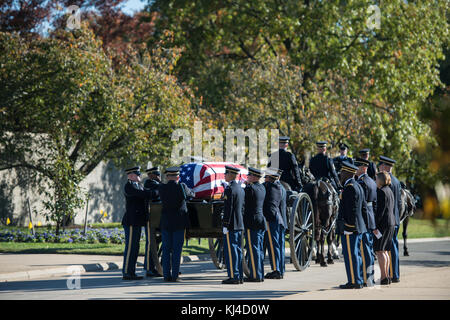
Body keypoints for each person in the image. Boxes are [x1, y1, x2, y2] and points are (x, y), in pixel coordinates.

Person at [158, 166, 194, 282]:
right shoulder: (182, 186)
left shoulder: (162, 187)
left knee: (166, 249)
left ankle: (166, 275)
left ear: (168, 177)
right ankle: (175, 276)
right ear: (178, 177)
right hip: (179, 223)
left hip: (166, 223)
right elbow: (191, 194)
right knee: (177, 250)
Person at [122, 166, 157, 280]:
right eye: (137, 174)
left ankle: (131, 272)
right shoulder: (129, 186)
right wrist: (155, 192)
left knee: (135, 247)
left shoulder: (139, 185)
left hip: (137, 221)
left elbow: (146, 192)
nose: (140, 176)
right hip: (131, 221)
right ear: (131, 175)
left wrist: (155, 191)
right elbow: (144, 194)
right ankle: (127, 271)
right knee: (131, 247)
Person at [336, 162, 366, 289]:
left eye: (342, 172)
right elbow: (363, 208)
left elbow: (351, 210)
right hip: (358, 226)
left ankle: (354, 281)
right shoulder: (357, 185)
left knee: (351, 255)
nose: (340, 174)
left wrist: (348, 226)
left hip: (350, 228)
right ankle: (358, 279)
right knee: (356, 254)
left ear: (347, 173)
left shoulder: (349, 187)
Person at [379, 156, 402, 283]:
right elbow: (398, 203)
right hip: (396, 219)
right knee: (393, 247)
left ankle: (393, 274)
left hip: (388, 220)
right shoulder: (396, 181)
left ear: (385, 166)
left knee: (389, 247)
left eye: (381, 165)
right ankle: (395, 273)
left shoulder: (387, 181)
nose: (380, 168)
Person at [355, 158, 377, 286]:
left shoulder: (362, 182)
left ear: (364, 168)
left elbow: (361, 203)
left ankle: (366, 278)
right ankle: (369, 278)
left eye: (357, 166)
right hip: (371, 218)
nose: (356, 169)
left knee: (364, 251)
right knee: (368, 249)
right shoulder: (372, 181)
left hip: (364, 218)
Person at [222, 165, 245, 284]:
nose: (224, 175)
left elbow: (228, 209)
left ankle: (233, 276)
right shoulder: (240, 188)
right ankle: (239, 275)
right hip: (239, 224)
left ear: (231, 175)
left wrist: (225, 224)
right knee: (238, 250)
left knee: (231, 251)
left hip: (231, 224)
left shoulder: (229, 189)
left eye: (226, 173)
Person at [243, 167, 266, 282]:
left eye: (249, 175)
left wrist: (246, 186)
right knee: (259, 249)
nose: (248, 177)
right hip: (260, 220)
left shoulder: (250, 188)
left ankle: (255, 275)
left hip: (251, 222)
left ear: (254, 177)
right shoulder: (262, 187)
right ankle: (259, 274)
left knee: (253, 249)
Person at [373, 171, 396, 285]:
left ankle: (383, 277)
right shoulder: (389, 191)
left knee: (380, 251)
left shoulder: (381, 192)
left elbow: (380, 212)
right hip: (391, 223)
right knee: (385, 251)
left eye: (377, 179)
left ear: (381, 180)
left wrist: (374, 226)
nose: (375, 181)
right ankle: (386, 275)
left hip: (383, 224)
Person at [263, 168, 284, 280]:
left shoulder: (271, 187)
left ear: (270, 179)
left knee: (273, 246)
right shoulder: (275, 186)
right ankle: (278, 269)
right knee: (275, 246)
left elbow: (269, 206)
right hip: (276, 219)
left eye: (266, 177)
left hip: (271, 219)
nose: (264, 179)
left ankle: (276, 270)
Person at [143, 166, 162, 277]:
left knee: (154, 243)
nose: (158, 176)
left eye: (158, 174)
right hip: (151, 218)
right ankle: (149, 268)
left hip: (157, 218)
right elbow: (157, 191)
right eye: (156, 174)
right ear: (151, 175)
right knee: (151, 243)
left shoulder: (157, 184)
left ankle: (152, 266)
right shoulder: (149, 183)